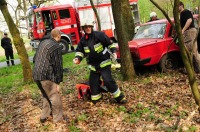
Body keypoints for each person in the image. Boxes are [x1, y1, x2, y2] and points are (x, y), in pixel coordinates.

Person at [73, 18, 127, 104]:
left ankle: (120, 97)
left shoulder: (100, 35)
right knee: (93, 83)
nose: (88, 28)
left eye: (89, 27)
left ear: (92, 27)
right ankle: (96, 99)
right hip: (93, 66)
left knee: (108, 81)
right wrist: (77, 58)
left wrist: (114, 52)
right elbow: (80, 51)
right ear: (83, 29)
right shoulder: (82, 41)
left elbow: (110, 44)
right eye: (86, 27)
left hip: (104, 63)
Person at [33, 29, 66, 123]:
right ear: (59, 36)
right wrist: (58, 82)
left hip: (36, 74)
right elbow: (58, 65)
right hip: (46, 75)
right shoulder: (56, 47)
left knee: (45, 95)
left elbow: (35, 59)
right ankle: (58, 119)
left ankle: (44, 117)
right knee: (54, 95)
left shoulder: (43, 43)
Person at [179, 1, 200, 73]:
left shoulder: (185, 12)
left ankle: (192, 69)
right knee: (191, 50)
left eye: (177, 7)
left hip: (189, 32)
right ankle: (193, 68)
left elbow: (190, 20)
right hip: (189, 32)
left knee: (190, 50)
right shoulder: (182, 13)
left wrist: (183, 30)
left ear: (181, 6)